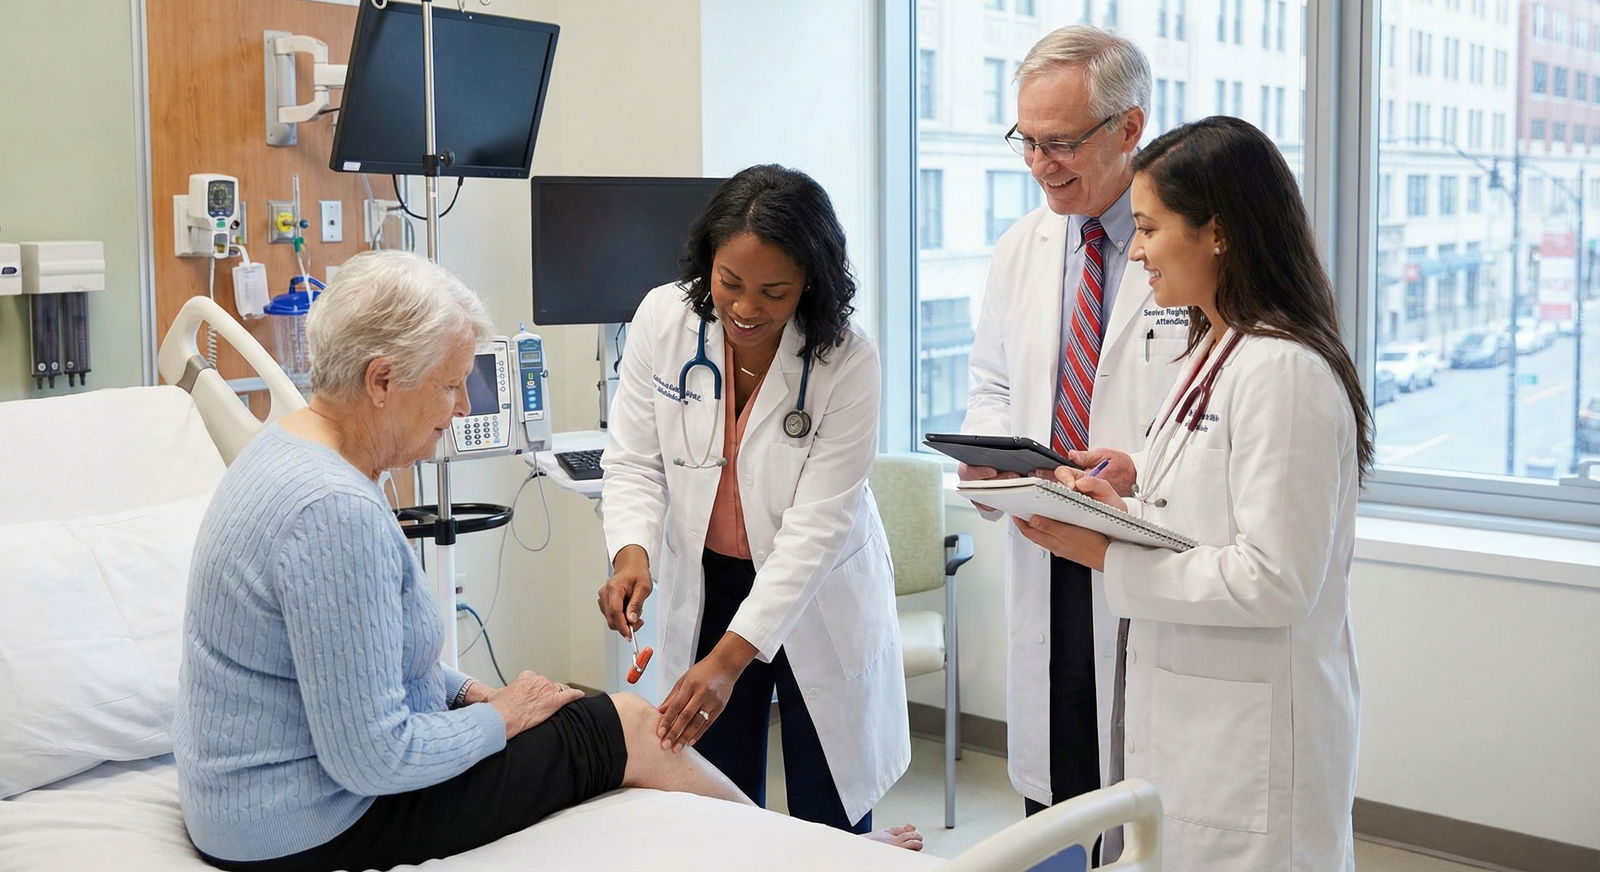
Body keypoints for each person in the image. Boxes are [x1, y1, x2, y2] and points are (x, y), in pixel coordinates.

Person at [173, 250, 752, 872]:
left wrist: (472, 693)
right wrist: (501, 717)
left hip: (249, 806)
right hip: (306, 825)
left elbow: (373, 666)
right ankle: (823, 855)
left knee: (581, 708)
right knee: (627, 726)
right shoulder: (332, 510)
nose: (464, 409)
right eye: (450, 386)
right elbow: (372, 757)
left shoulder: (285, 449)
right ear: (381, 381)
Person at [1014, 116, 1370, 870]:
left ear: (1219, 233)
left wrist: (1109, 555)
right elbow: (1202, 516)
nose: (1135, 250)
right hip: (1193, 718)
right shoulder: (1218, 346)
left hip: (1251, 744)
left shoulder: (1285, 373)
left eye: (1148, 228)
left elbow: (1276, 581)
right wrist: (1122, 496)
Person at [598, 164, 919, 849]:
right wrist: (632, 551)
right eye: (729, 282)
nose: (745, 308)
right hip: (710, 583)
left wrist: (728, 661)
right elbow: (632, 457)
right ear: (706, 262)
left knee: (827, 808)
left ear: (811, 281)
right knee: (715, 797)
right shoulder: (665, 318)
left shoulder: (846, 360)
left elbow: (816, 528)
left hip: (815, 593)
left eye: (774, 291)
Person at [959, 25, 1185, 820]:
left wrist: (1138, 470)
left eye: (1060, 143)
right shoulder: (1020, 247)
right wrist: (991, 461)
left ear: (1129, 127)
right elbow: (991, 382)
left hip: (1143, 541)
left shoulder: (1189, 250)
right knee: (1055, 779)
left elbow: (1215, 412)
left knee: (1135, 782)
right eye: (1026, 140)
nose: (1038, 164)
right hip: (1042, 539)